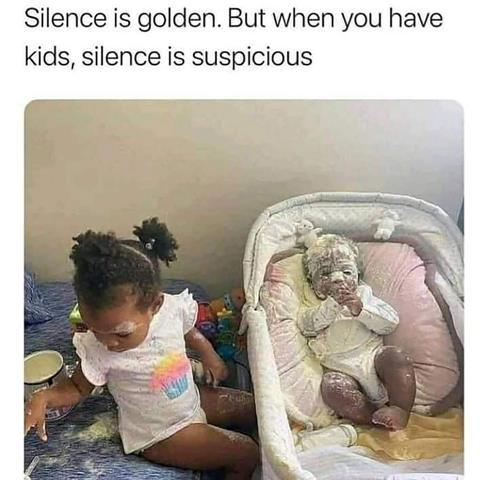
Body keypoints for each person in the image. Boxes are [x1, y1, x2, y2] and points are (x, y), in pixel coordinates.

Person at [25, 218, 259, 479]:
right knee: (246, 452)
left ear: (155, 306)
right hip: (159, 434)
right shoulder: (97, 349)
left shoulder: (171, 309)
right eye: (94, 329)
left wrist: (209, 355)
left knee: (256, 408)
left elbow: (189, 331)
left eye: (121, 333)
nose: (108, 342)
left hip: (189, 399)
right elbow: (77, 387)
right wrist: (45, 398)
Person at [300, 234, 416, 430]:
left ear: (358, 276)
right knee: (332, 388)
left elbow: (390, 323)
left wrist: (361, 310)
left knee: (396, 357)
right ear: (312, 283)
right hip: (340, 369)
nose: (337, 279)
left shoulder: (364, 295)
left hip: (372, 358)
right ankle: (373, 417)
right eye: (325, 273)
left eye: (346, 271)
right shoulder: (311, 302)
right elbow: (307, 326)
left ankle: (400, 409)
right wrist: (331, 306)